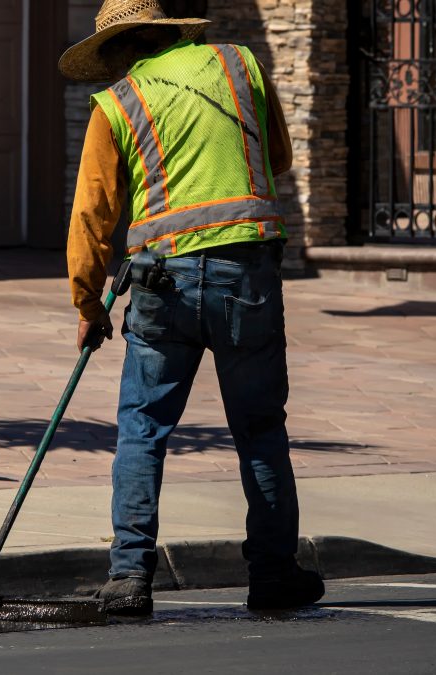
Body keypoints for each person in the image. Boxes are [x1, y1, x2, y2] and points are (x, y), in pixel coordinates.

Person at [59, 0, 325, 614]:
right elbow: (276, 159)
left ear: (120, 50)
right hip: (246, 277)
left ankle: (129, 577)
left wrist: (87, 304)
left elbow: (92, 217)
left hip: (161, 284)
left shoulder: (117, 105)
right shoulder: (239, 66)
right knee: (260, 430)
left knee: (142, 430)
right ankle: (273, 575)